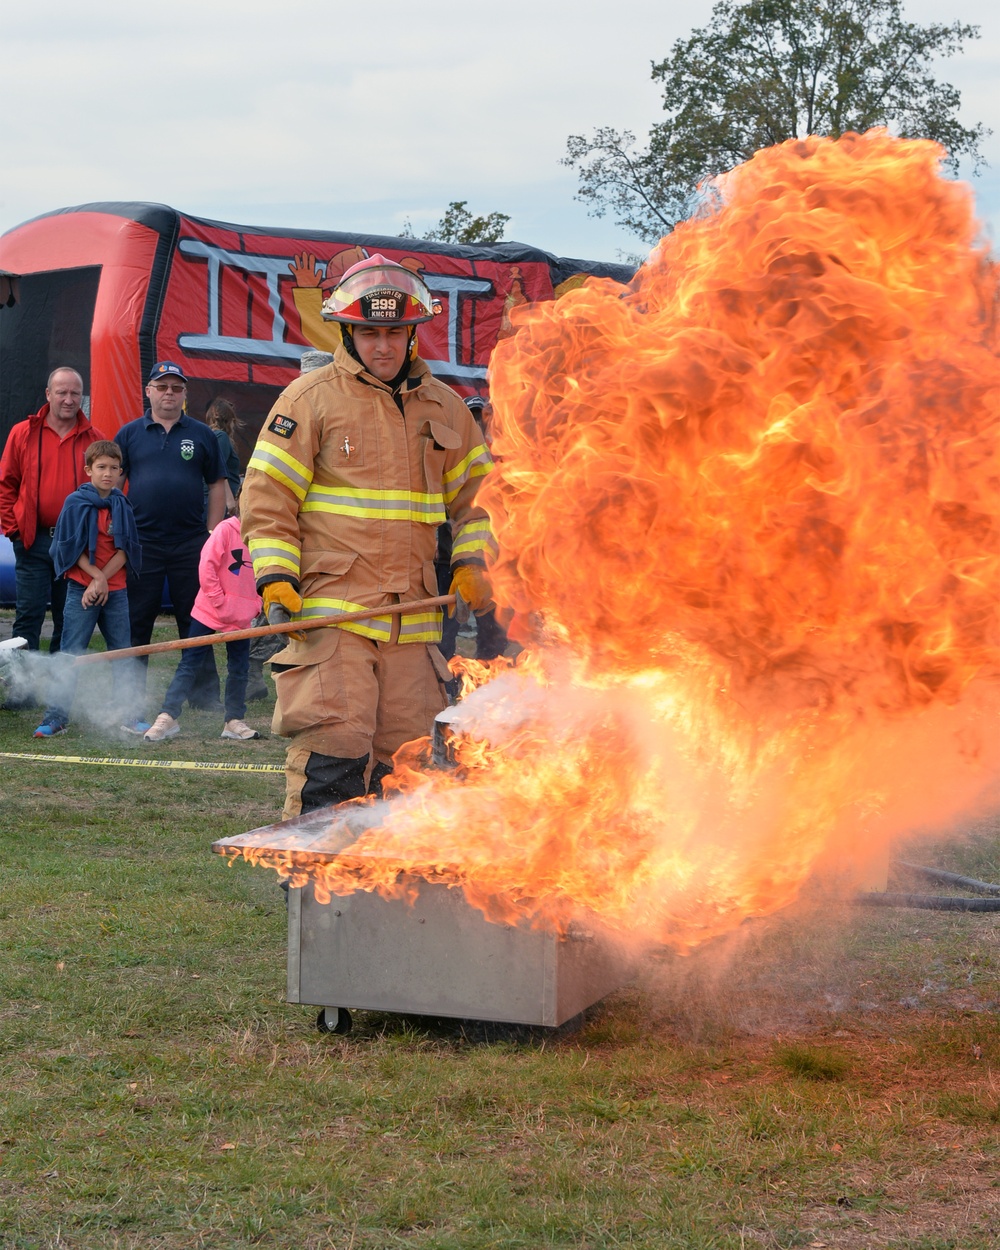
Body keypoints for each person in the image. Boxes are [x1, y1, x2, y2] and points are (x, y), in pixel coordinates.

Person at [240, 255, 497, 818]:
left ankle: (385, 893)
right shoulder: (309, 400)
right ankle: (313, 888)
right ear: (347, 333)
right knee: (335, 742)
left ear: (411, 334)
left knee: (406, 760)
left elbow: (479, 501)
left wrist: (472, 563)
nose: (383, 346)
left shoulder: (447, 408)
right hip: (335, 613)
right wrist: (276, 578)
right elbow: (267, 498)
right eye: (370, 333)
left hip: (416, 619)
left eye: (394, 334)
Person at [115, 362, 227, 730]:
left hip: (189, 543)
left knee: (196, 619)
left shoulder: (202, 435)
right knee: (136, 621)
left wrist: (212, 534)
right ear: (148, 391)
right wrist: (117, 530)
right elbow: (114, 485)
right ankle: (130, 697)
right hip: (141, 544)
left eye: (176, 388)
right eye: (162, 387)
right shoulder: (129, 434)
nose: (169, 393)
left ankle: (205, 696)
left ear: (184, 394)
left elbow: (215, 485)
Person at [32, 440, 142, 737]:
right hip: (81, 589)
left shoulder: (122, 504)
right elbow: (68, 548)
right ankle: (56, 717)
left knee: (122, 652)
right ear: (88, 470)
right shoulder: (75, 503)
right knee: (71, 653)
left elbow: (125, 549)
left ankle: (129, 715)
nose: (108, 474)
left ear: (121, 471)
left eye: (114, 468)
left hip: (115, 591)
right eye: (102, 467)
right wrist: (95, 579)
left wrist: (103, 580)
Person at [0, 367, 109, 661]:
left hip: (75, 548)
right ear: (49, 394)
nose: (69, 399)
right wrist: (15, 530)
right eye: (62, 392)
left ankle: (57, 689)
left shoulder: (95, 440)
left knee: (69, 619)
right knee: (27, 618)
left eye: (75, 393)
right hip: (33, 542)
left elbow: (107, 495)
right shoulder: (22, 433)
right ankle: (24, 688)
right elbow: (6, 483)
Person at [143, 503, 261, 743]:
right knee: (189, 663)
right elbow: (207, 565)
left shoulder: (263, 535)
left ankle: (234, 721)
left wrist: (256, 604)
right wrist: (219, 600)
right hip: (210, 608)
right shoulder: (226, 529)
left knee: (239, 669)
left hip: (242, 615)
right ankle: (168, 716)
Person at [205, 397, 242, 507]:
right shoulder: (221, 437)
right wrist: (230, 502)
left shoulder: (211, 437)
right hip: (222, 502)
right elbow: (219, 470)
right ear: (229, 420)